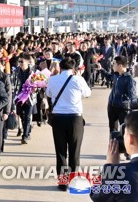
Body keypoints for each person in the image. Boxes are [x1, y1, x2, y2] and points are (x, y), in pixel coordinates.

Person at [46, 58, 91, 191]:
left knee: (60, 152)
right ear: (73, 69)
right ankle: (73, 181)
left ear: (60, 68)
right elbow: (87, 93)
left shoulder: (53, 79)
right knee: (74, 152)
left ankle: (62, 182)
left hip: (58, 119)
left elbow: (48, 93)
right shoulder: (78, 79)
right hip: (75, 119)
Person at [90, 111, 138, 202]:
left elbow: (96, 195)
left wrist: (110, 168)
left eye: (124, 134)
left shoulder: (118, 174)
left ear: (131, 139)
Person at [98, 56, 137, 134]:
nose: (112, 65)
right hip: (111, 106)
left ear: (120, 66)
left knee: (124, 131)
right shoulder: (116, 75)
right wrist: (101, 69)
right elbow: (109, 77)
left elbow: (133, 96)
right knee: (112, 130)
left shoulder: (129, 79)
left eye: (114, 64)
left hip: (123, 108)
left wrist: (133, 110)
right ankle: (112, 145)